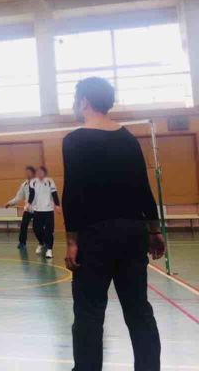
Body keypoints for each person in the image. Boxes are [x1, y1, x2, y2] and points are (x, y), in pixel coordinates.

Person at [62, 77, 164, 371]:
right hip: (132, 234)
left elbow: (72, 194)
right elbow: (143, 188)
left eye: (75, 99)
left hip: (94, 238)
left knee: (89, 314)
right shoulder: (128, 139)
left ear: (84, 101)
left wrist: (72, 241)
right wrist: (154, 230)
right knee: (139, 311)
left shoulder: (74, 141)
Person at [27, 166, 59, 259]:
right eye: (38, 172)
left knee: (49, 231)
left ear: (45, 173)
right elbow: (31, 194)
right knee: (36, 229)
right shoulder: (33, 182)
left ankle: (49, 250)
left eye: (41, 172)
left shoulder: (50, 181)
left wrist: (57, 205)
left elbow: (54, 194)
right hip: (37, 210)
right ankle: (41, 243)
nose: (39, 173)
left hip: (48, 210)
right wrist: (28, 204)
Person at [5, 166, 36, 249]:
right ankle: (22, 242)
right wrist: (9, 203)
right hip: (28, 210)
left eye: (29, 172)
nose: (27, 174)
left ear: (33, 173)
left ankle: (44, 242)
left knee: (37, 228)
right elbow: (18, 197)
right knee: (23, 225)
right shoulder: (24, 185)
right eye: (26, 172)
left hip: (38, 210)